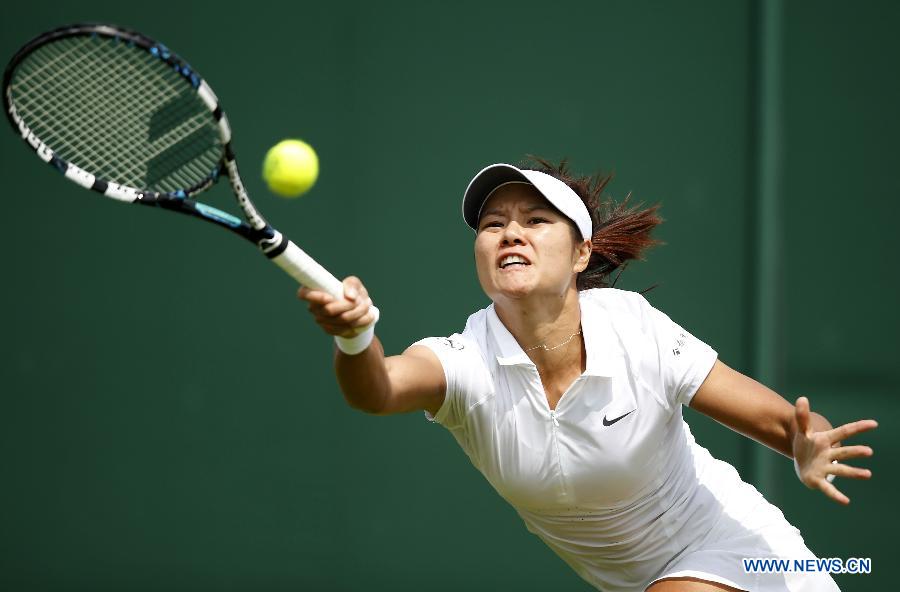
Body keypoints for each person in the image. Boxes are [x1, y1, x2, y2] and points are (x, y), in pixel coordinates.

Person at [297, 158, 877, 592]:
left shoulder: (635, 331)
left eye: (536, 220)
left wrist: (806, 444)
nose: (510, 233)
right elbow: (377, 390)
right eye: (492, 223)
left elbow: (786, 422)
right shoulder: (466, 361)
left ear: (580, 255)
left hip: (750, 559)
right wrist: (356, 336)